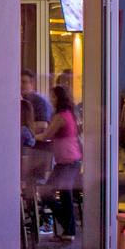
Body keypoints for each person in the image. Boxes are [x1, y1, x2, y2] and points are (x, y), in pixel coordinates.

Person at [46, 85, 84, 240]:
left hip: (67, 160)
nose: (51, 99)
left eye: (53, 96)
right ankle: (69, 228)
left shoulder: (61, 116)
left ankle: (70, 229)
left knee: (50, 192)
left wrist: (31, 135)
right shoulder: (70, 114)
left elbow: (47, 134)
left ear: (58, 98)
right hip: (69, 160)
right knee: (62, 192)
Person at [21, 70, 51, 142]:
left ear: (32, 84)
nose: (20, 85)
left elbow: (43, 125)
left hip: (36, 147)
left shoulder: (39, 102)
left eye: (23, 82)